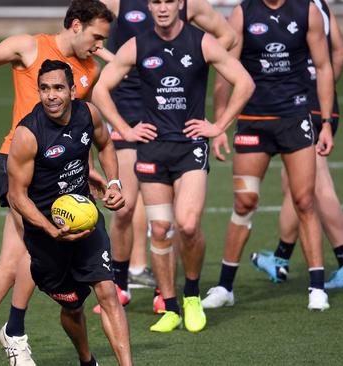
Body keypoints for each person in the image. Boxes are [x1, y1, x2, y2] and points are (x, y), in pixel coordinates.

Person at [0, 1, 114, 365]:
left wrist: (85, 168)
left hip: (58, 175)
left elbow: (80, 127)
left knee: (13, 260)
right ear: (76, 25)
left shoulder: (91, 69)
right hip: (18, 167)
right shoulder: (29, 46)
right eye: (96, 36)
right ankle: (13, 333)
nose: (99, 45)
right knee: (32, 250)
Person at [93, 0, 254, 333]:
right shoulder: (137, 45)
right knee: (162, 228)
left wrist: (219, 124)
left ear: (180, 4)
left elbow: (245, 82)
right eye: (156, 2)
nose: (163, 8)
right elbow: (100, 90)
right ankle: (169, 307)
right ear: (150, 7)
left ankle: (192, 295)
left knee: (189, 225)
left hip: (190, 147)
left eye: (169, 1)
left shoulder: (201, 42)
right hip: (152, 149)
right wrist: (125, 129)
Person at [203, 0, 335, 311]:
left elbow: (324, 66)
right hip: (254, 122)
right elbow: (225, 72)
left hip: (294, 119)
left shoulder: (307, 11)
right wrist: (221, 124)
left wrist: (327, 122)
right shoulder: (243, 13)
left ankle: (317, 287)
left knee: (304, 200)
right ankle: (225, 287)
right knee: (244, 202)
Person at [8, 59, 130, 366]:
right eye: (45, 88)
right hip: (47, 236)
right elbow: (16, 196)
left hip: (87, 220)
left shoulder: (88, 114)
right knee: (73, 307)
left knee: (107, 292)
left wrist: (114, 182)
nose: (51, 95)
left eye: (59, 88)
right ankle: (86, 360)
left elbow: (105, 145)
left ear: (73, 91)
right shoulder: (28, 134)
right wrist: (50, 230)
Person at [246, 0, 343, 293]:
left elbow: (336, 55)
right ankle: (282, 258)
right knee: (296, 187)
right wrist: (325, 87)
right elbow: (342, 51)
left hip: (301, 106)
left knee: (315, 186)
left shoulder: (300, 9)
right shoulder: (318, 5)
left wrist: (312, 90)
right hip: (315, 103)